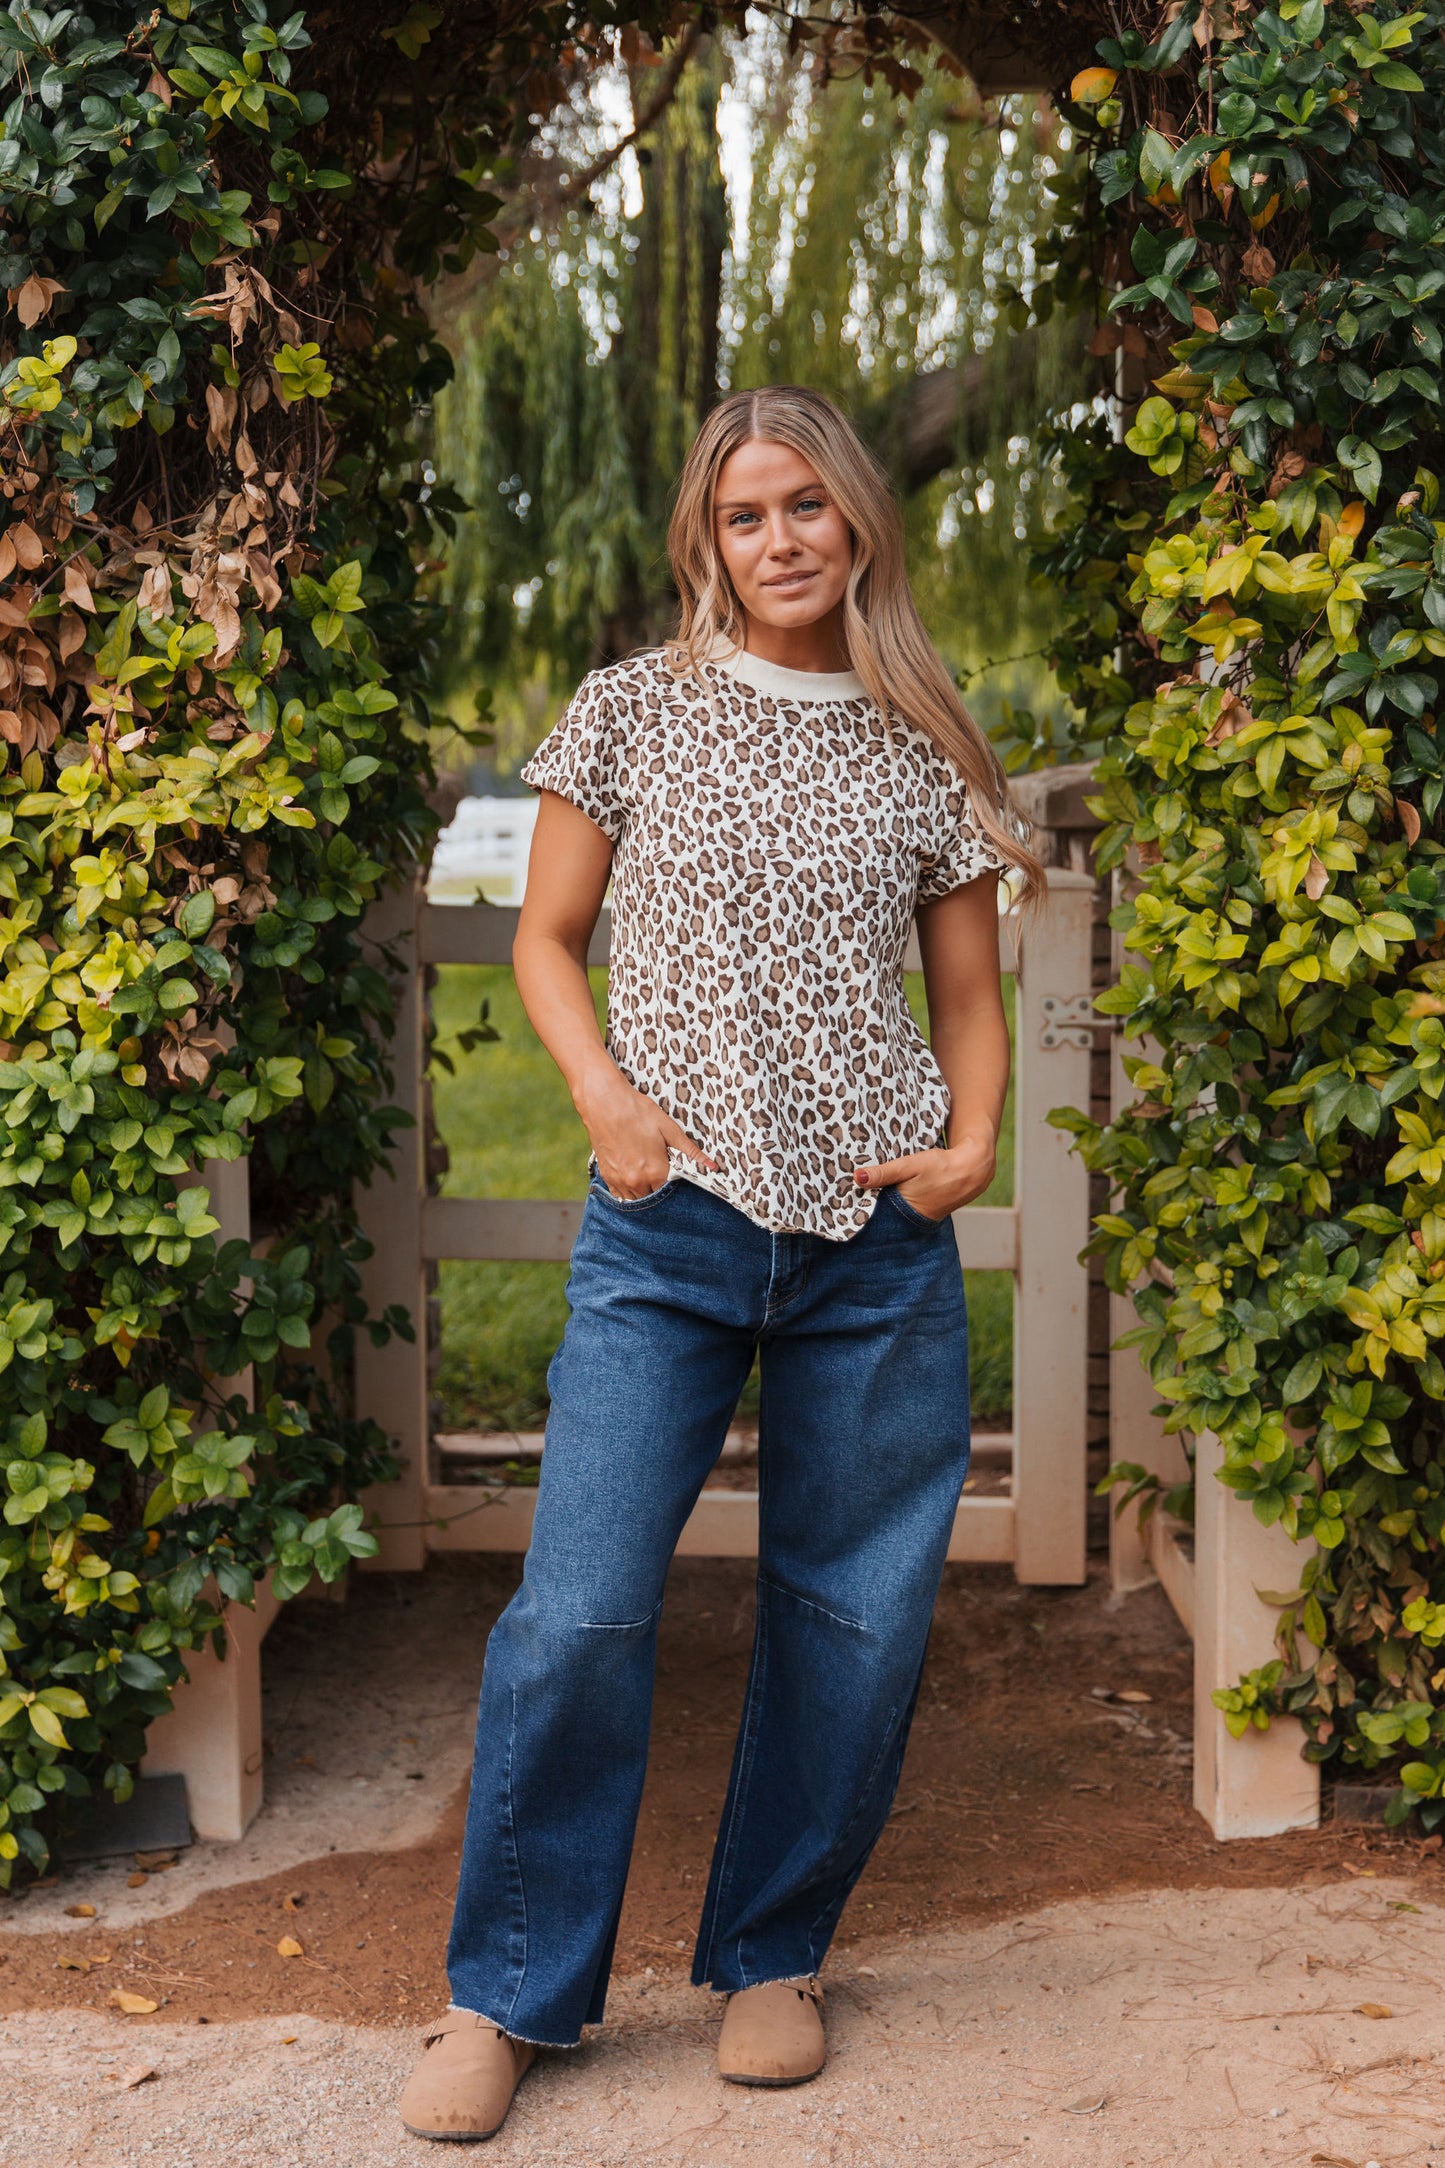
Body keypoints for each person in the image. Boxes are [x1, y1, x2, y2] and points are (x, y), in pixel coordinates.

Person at [399, 385, 1042, 2142]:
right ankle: (504, 1993)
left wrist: (971, 1146)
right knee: (580, 1612)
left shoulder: (921, 739)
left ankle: (773, 1954)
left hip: (873, 1246)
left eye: (807, 506)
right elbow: (545, 941)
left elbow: (967, 991)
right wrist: (605, 1102)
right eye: (747, 514)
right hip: (666, 1228)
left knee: (852, 1616)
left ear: (857, 521)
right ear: (708, 535)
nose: (780, 540)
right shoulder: (632, 709)